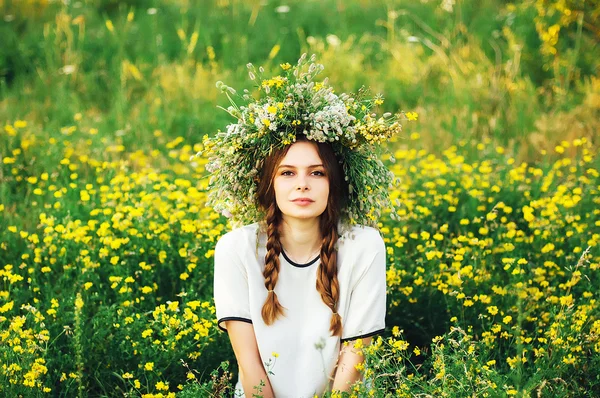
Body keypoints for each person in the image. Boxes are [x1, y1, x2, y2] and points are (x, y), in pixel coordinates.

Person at [203, 54, 403, 397]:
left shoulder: (364, 245)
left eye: (317, 172)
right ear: (269, 184)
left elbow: (355, 357)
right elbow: (249, 365)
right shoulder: (236, 248)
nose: (302, 184)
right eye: (287, 173)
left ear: (333, 184)